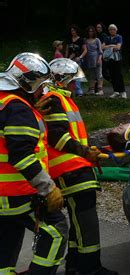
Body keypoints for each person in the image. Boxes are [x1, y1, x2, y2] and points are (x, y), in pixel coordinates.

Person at [35, 58, 116, 275]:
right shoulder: (53, 99)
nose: (75, 85)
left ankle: (75, 265)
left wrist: (90, 151)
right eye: (73, 81)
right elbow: (57, 137)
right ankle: (90, 268)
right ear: (60, 79)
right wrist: (84, 151)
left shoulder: (62, 99)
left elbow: (72, 136)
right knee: (86, 221)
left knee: (80, 221)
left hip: (75, 166)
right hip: (69, 169)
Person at [0, 52, 67, 274]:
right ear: (29, 84)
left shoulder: (5, 102)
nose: (43, 91)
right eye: (41, 86)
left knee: (6, 248)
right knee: (55, 232)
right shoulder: (18, 109)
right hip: (17, 193)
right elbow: (21, 155)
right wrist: (48, 188)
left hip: (5, 198)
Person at [104, 24, 127, 99]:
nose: (112, 30)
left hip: (117, 58)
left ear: (116, 30)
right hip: (109, 59)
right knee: (112, 75)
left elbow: (118, 47)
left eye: (113, 29)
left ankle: (123, 92)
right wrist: (112, 46)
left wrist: (109, 47)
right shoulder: (107, 38)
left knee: (118, 75)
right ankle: (116, 91)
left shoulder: (119, 37)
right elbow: (102, 47)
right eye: (110, 29)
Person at [65, 24, 86, 97]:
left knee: (77, 75)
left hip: (78, 59)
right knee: (70, 76)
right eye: (71, 31)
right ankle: (70, 91)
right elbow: (67, 50)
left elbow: (85, 50)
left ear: (77, 31)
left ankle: (79, 92)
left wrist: (80, 57)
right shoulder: (69, 39)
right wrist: (66, 59)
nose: (73, 32)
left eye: (74, 31)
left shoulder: (81, 40)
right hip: (70, 60)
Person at [84, 26, 104, 96]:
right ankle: (92, 89)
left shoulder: (97, 40)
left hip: (97, 59)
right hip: (89, 60)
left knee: (99, 75)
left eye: (92, 31)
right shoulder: (86, 40)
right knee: (92, 75)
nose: (90, 33)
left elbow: (100, 51)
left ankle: (100, 90)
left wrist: (99, 59)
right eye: (89, 31)